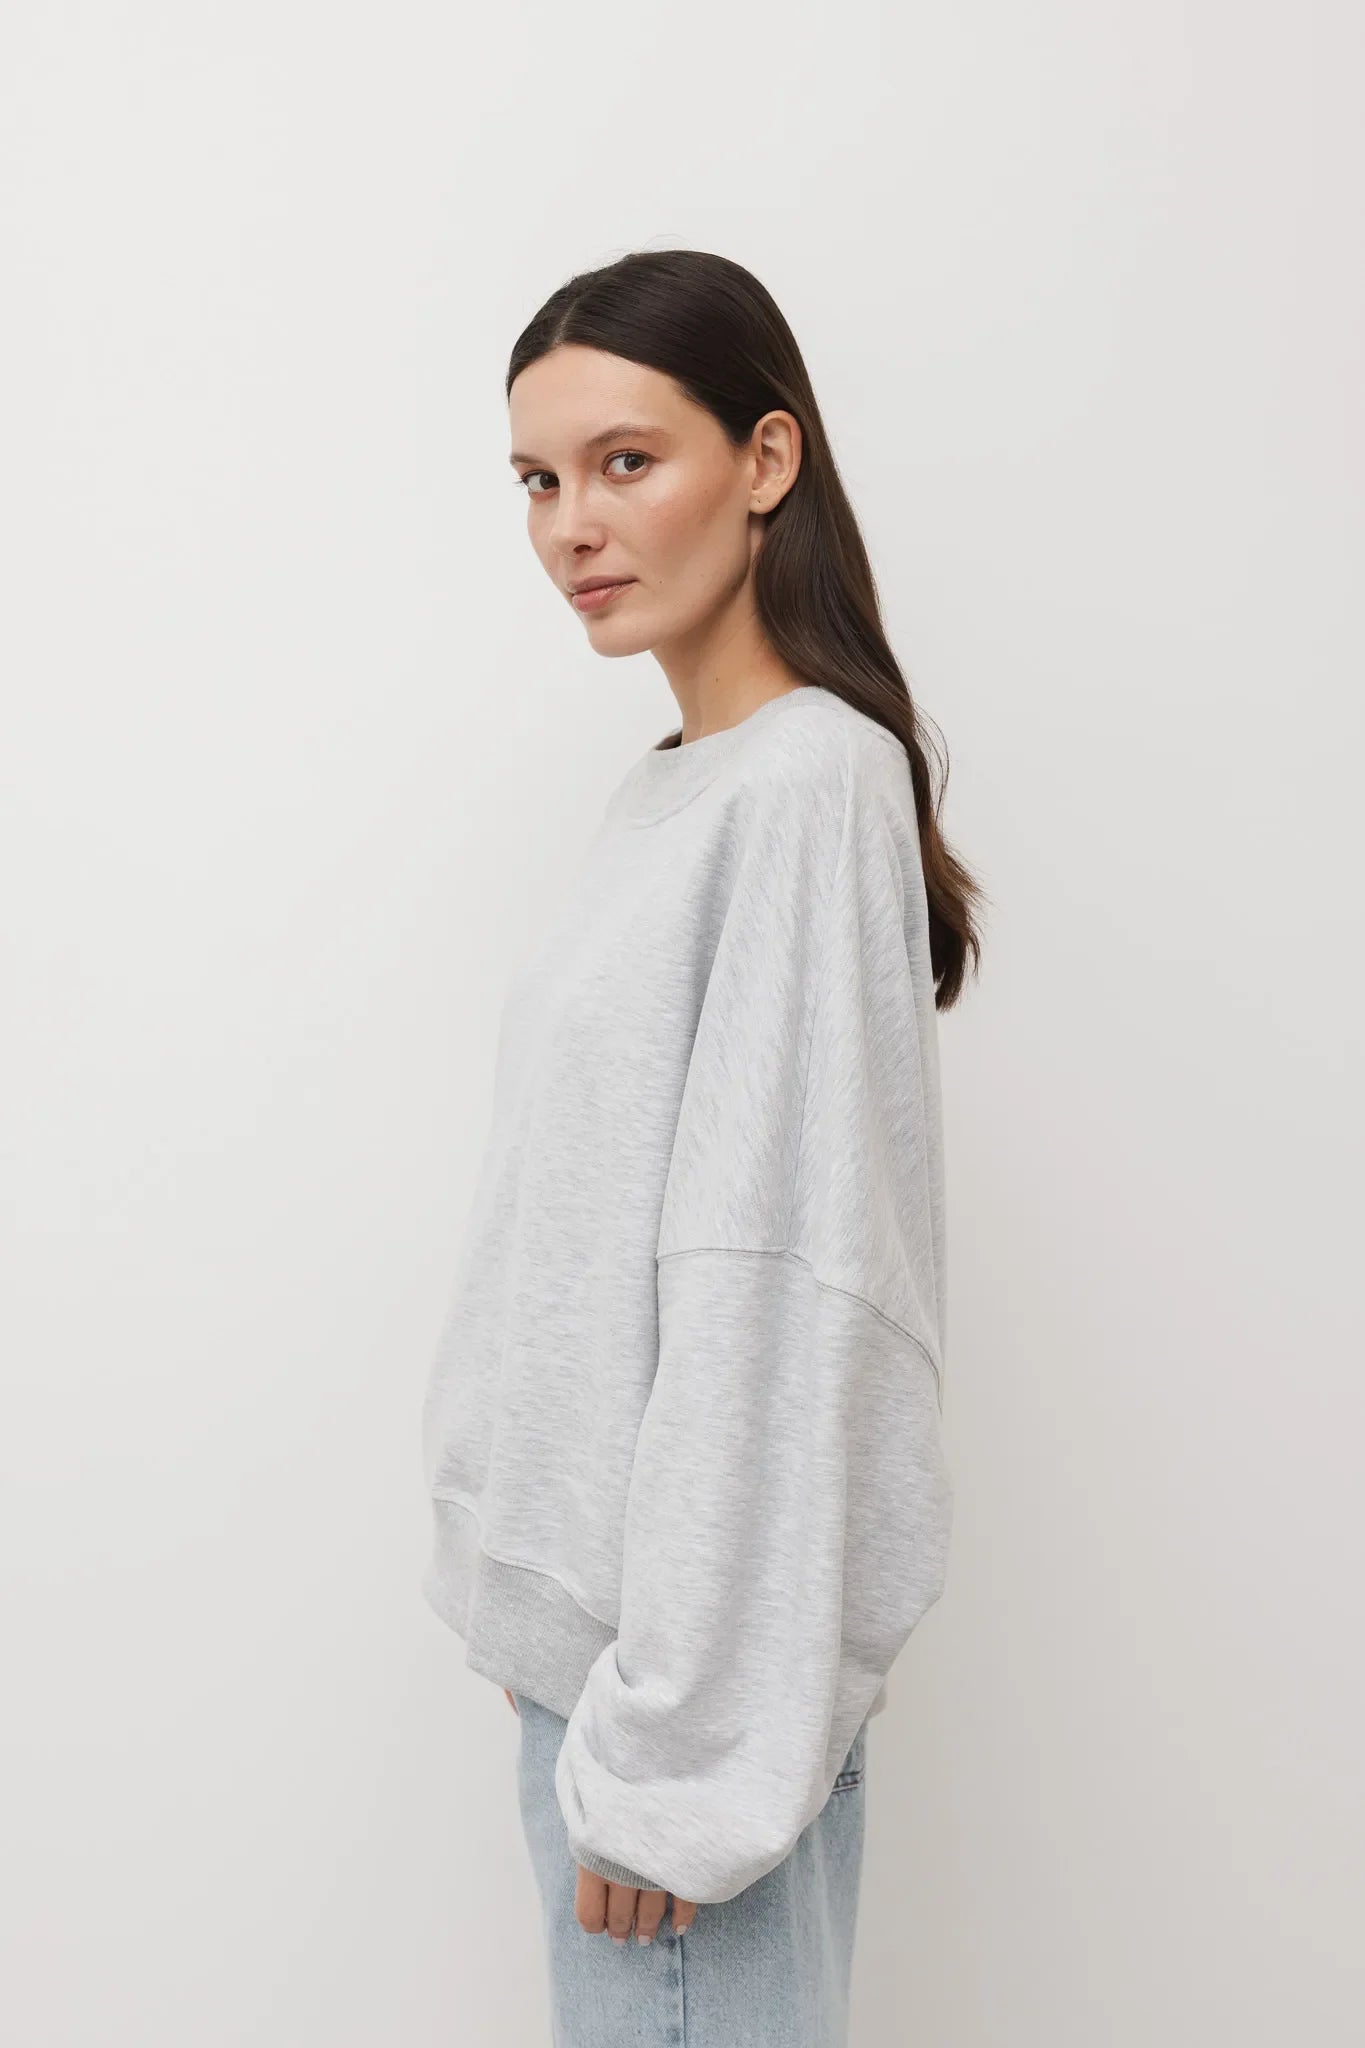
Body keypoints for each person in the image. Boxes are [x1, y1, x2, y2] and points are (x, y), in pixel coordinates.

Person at [419, 247, 984, 2046]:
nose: (571, 526)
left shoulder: (805, 783)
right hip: (613, 1682)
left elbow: (779, 1301)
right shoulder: (677, 788)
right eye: (537, 479)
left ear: (765, 458)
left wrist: (679, 1757)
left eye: (624, 461)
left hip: (671, 1728)